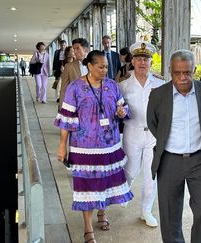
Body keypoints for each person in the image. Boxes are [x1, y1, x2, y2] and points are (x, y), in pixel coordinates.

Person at [55, 50, 133, 243]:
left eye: (106, 66)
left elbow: (122, 106)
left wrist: (122, 111)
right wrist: (62, 146)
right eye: (101, 66)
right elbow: (66, 120)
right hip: (84, 146)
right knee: (87, 185)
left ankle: (102, 212)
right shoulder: (75, 88)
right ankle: (88, 226)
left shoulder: (112, 86)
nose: (105, 70)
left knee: (105, 180)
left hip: (109, 145)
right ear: (89, 66)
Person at [147, 49, 201, 243]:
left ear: (194, 70)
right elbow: (153, 123)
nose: (182, 77)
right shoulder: (159, 95)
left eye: (187, 72)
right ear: (170, 71)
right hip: (169, 161)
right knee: (170, 214)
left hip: (200, 160)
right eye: (177, 72)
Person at [119, 42, 164, 227]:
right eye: (138, 59)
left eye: (145, 59)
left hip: (153, 136)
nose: (142, 62)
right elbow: (118, 109)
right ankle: (123, 192)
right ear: (132, 61)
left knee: (151, 175)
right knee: (130, 170)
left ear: (151, 61)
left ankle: (146, 210)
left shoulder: (161, 84)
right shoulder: (123, 86)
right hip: (132, 133)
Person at [59, 38, 89, 107]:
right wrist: (61, 106)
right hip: (76, 105)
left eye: (78, 48)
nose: (75, 51)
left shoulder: (95, 65)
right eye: (74, 49)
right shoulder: (69, 67)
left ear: (85, 50)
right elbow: (64, 88)